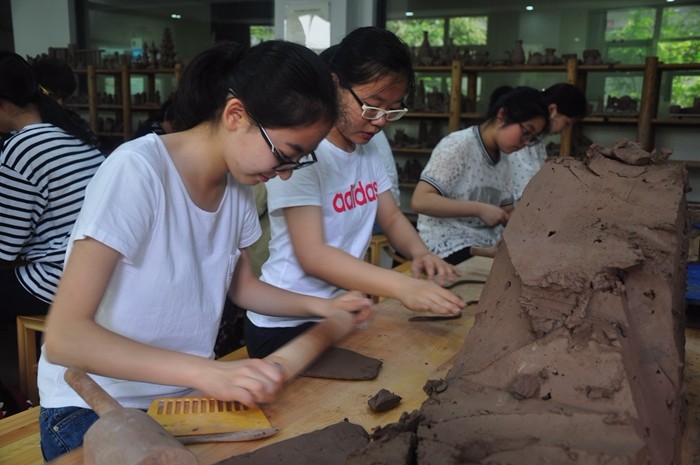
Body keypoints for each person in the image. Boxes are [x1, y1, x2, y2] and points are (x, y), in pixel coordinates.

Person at [37, 40, 374, 461]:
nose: (285, 175)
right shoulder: (138, 172)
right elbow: (65, 339)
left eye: (298, 162)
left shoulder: (237, 186)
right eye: (285, 155)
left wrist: (326, 309)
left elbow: (245, 289)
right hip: (95, 407)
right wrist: (208, 371)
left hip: (183, 399)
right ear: (236, 115)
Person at [245, 27, 466, 359]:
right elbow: (313, 255)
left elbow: (389, 215)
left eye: (392, 110)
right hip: (285, 323)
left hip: (341, 311)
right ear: (334, 85)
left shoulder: (367, 147)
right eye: (373, 106)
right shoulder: (302, 151)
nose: (380, 122)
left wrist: (421, 253)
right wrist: (402, 286)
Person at [0, 51, 105, 324]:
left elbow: (5, 248)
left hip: (61, 280)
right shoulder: (75, 130)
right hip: (101, 271)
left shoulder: (22, 147)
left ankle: (35, 361)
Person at [411, 86, 549, 265]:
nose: (526, 143)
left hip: (483, 240)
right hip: (445, 241)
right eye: (526, 132)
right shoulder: (458, 145)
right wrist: (479, 209)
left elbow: (507, 210)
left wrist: (536, 228)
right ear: (502, 116)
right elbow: (420, 200)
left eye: (533, 138)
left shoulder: (504, 157)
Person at [507, 83, 588, 202]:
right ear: (552, 110)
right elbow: (525, 193)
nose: (564, 131)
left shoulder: (537, 140)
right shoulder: (521, 139)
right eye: (567, 123)